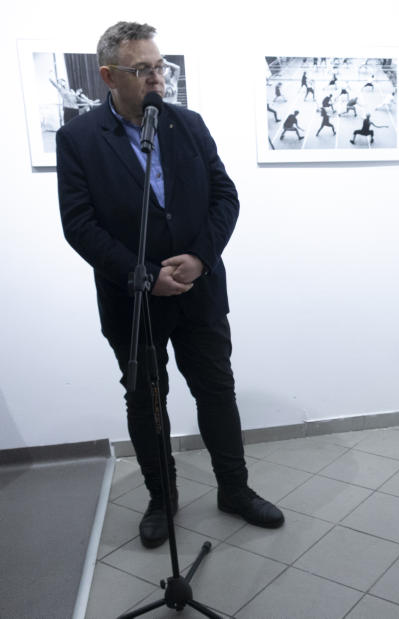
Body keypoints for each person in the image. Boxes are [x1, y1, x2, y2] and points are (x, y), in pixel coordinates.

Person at [56, 22, 285, 550]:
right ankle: (162, 499)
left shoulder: (189, 124)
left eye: (160, 67)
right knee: (146, 401)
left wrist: (201, 258)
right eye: (142, 69)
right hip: (132, 300)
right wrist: (142, 275)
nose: (157, 78)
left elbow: (225, 196)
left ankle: (235, 489)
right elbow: (79, 224)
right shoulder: (80, 139)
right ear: (109, 76)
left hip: (199, 290)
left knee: (217, 390)